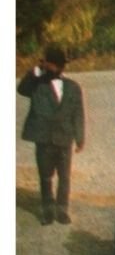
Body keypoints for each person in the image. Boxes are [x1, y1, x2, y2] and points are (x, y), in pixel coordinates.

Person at [18, 45, 85, 225]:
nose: (55, 68)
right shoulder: (37, 85)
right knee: (45, 176)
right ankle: (48, 210)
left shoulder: (73, 87)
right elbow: (22, 89)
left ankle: (62, 210)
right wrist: (36, 70)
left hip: (64, 138)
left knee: (64, 177)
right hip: (44, 138)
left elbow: (78, 113)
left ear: (63, 66)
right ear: (46, 65)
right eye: (51, 65)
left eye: (58, 65)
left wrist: (80, 138)